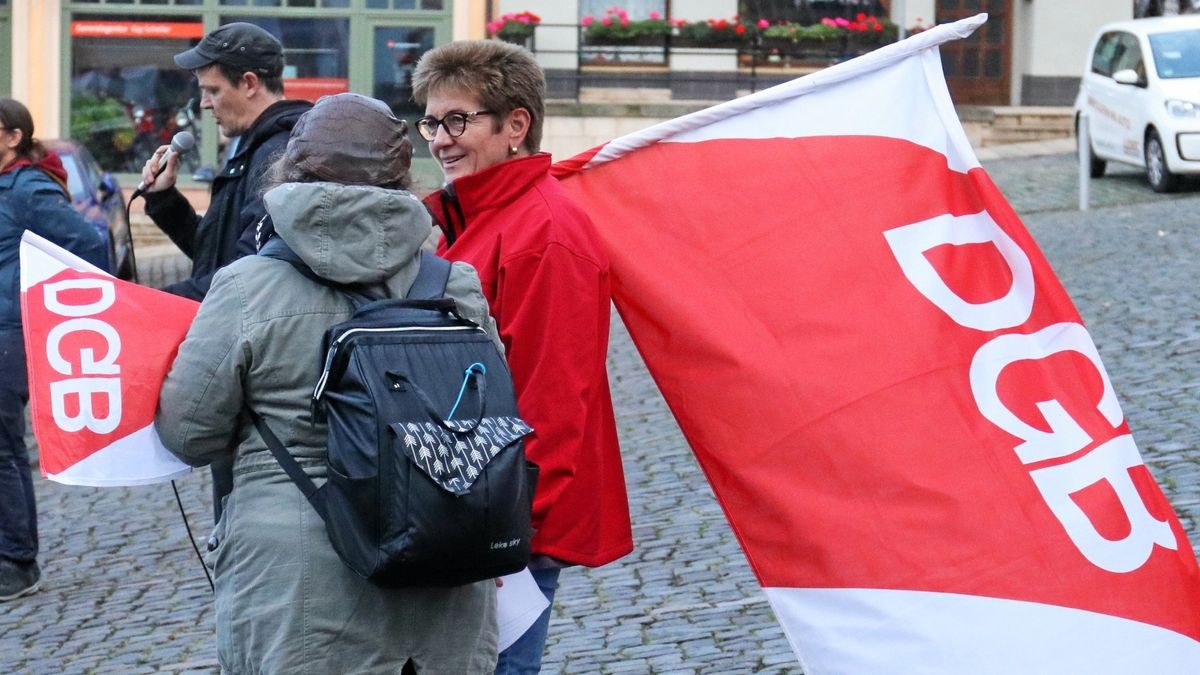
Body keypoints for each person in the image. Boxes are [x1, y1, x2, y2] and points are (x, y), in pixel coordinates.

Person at [156, 93, 501, 672]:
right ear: (401, 179)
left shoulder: (247, 286)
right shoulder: (454, 282)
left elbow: (189, 433)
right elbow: (489, 416)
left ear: (289, 173)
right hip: (443, 560)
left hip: (297, 586)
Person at [413, 40, 634, 673]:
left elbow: (552, 401)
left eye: (459, 120)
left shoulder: (546, 234)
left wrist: (505, 533)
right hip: (464, 506)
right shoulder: (468, 217)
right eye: (433, 121)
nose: (440, 140)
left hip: (501, 525)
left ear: (517, 126)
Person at [139, 22, 312, 522]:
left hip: (260, 383)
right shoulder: (252, 150)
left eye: (213, 91)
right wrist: (164, 201)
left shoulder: (278, 155)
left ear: (251, 83)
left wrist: (136, 306)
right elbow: (216, 259)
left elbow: (241, 281)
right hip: (239, 369)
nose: (206, 105)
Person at [0, 98, 107, 601]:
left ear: (13, 137)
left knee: (3, 449)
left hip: (7, 334)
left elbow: (89, 244)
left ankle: (17, 561)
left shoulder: (27, 187)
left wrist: (40, 301)